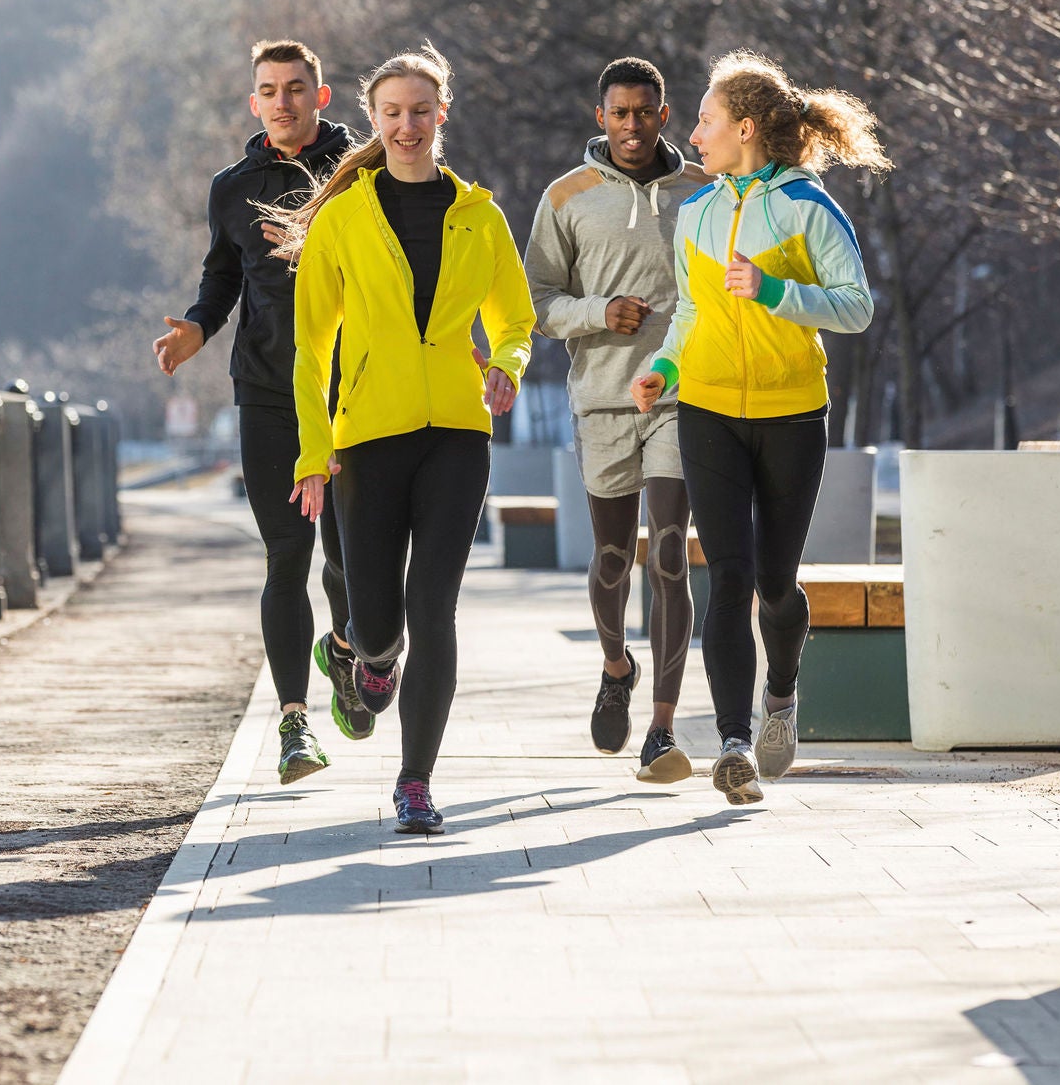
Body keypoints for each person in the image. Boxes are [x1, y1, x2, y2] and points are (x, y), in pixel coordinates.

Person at [274, 44, 535, 834]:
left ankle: (415, 781)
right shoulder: (345, 219)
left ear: (440, 114)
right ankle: (365, 658)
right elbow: (311, 348)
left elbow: (515, 319)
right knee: (382, 620)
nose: (407, 125)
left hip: (458, 432)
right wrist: (313, 452)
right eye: (392, 113)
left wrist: (510, 368)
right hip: (371, 436)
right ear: (377, 119)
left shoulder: (479, 216)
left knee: (436, 606)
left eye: (420, 111)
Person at [630, 50, 885, 805]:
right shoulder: (697, 213)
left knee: (775, 582)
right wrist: (666, 370)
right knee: (728, 573)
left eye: (706, 120)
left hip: (791, 412)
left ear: (744, 128)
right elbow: (692, 312)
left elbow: (856, 305)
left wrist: (776, 288)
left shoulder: (809, 207)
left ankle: (781, 694)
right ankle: (734, 742)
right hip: (707, 409)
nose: (695, 133)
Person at [154, 40, 367, 787]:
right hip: (269, 391)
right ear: (254, 103)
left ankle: (347, 646)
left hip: (353, 392)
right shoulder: (233, 186)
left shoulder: (362, 172)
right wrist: (194, 326)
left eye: (296, 88)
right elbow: (221, 275)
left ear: (322, 95)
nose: (283, 101)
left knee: (350, 562)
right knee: (288, 554)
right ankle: (294, 723)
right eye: (269, 90)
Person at [525, 57, 706, 784]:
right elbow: (536, 302)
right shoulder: (566, 197)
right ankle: (614, 664)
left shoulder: (702, 193)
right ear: (599, 117)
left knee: (668, 553)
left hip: (680, 399)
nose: (633, 124)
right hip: (601, 398)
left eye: (645, 111)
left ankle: (662, 728)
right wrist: (598, 312)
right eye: (619, 112)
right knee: (611, 560)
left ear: (666, 113)